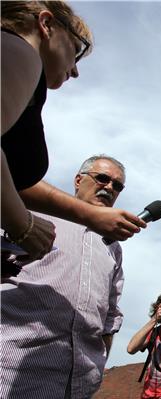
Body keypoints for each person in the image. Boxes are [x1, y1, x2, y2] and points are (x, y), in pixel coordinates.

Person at [1, 1, 145, 261]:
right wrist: (23, 225)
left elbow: (12, 183)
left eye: (118, 185)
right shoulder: (20, 52)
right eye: (76, 51)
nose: (76, 70)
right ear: (46, 24)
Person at [0, 155, 129, 399]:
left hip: (78, 386)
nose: (110, 188)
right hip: (13, 375)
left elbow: (109, 317)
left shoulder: (113, 247)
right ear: (78, 180)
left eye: (117, 185)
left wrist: (97, 366)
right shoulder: (29, 216)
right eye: (102, 178)